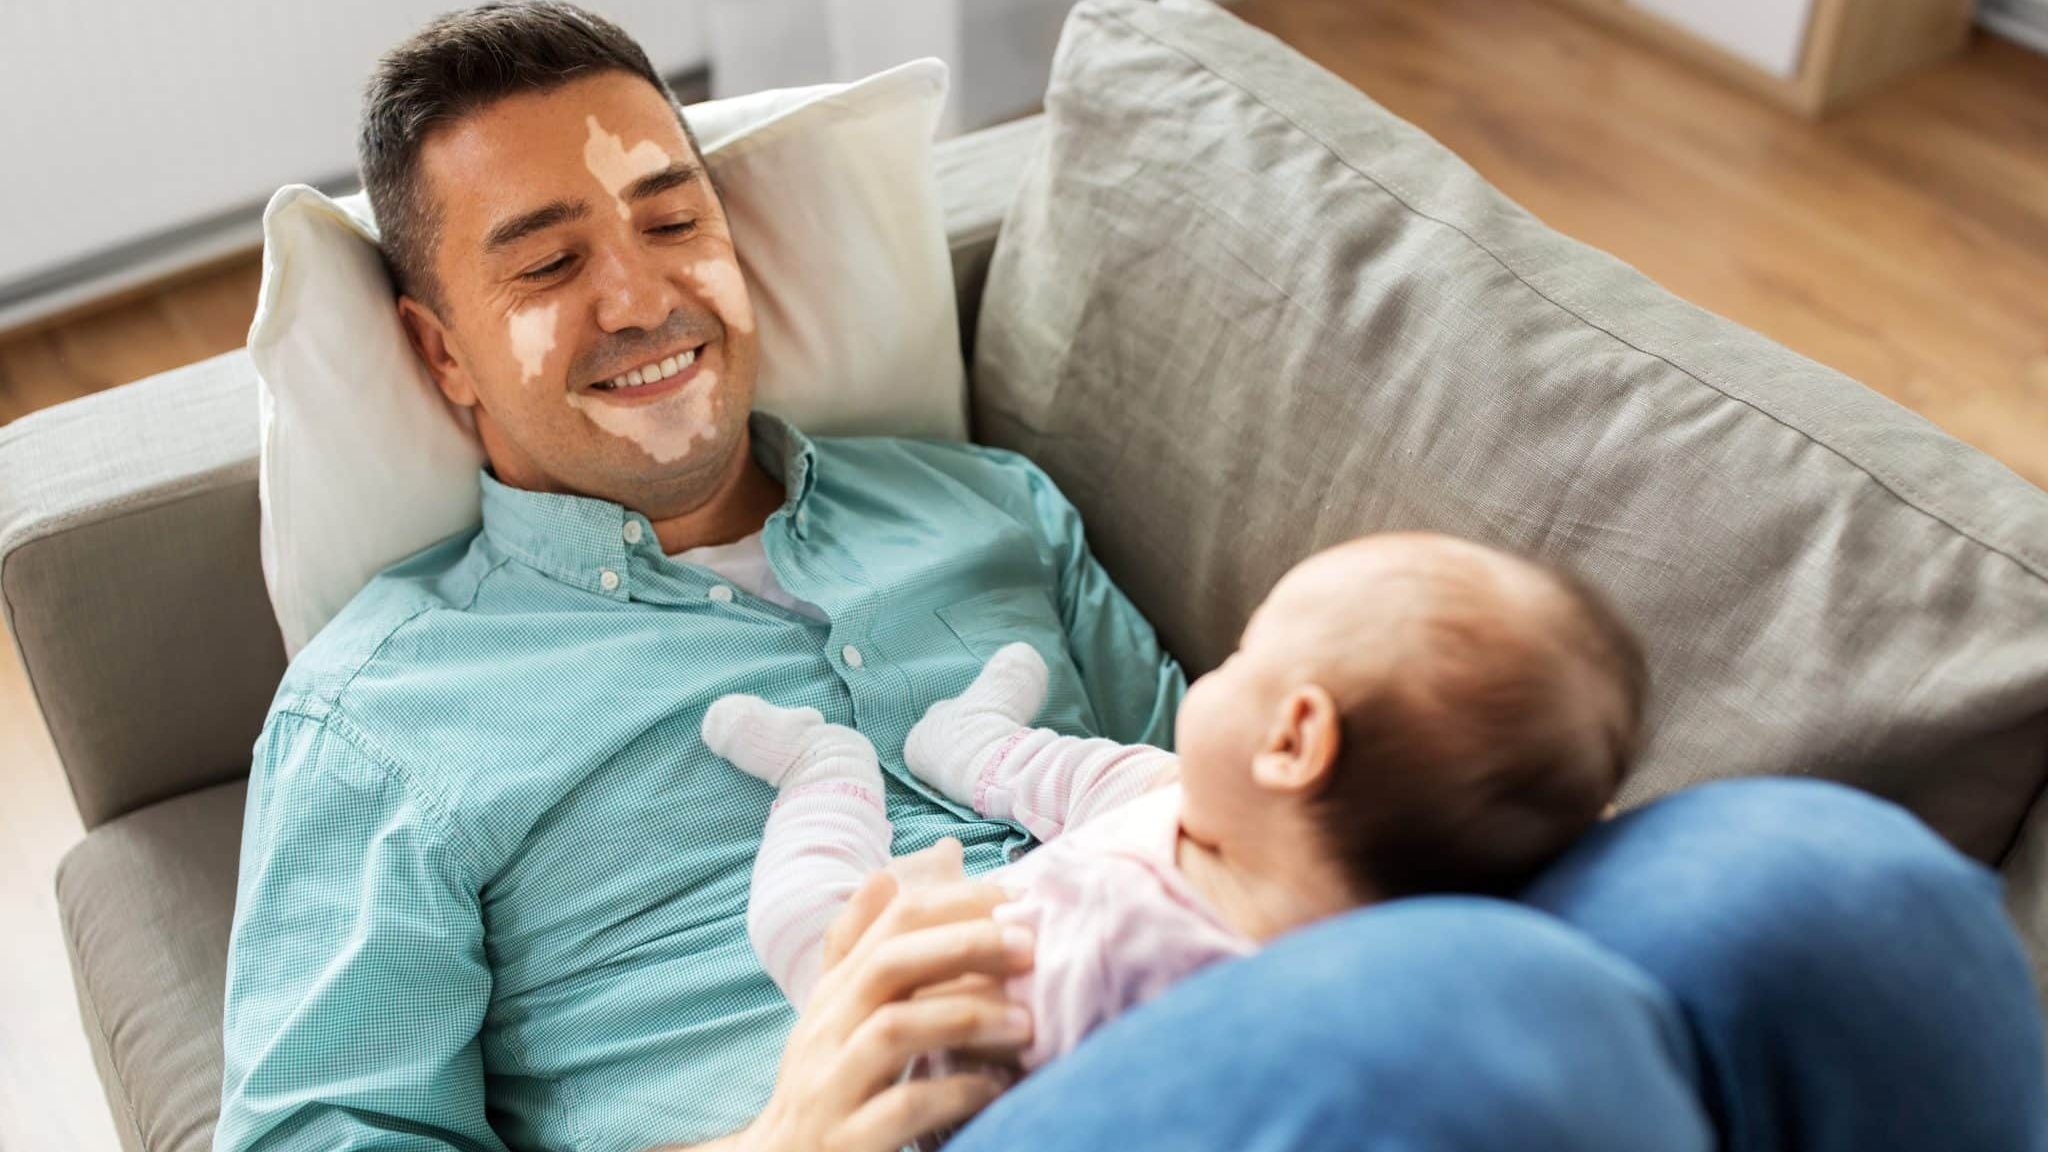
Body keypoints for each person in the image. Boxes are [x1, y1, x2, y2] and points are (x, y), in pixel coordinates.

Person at [214, 3, 2048, 1151]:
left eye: (672, 216)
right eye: (542, 261)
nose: (640, 295)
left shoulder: (978, 506)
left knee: (1829, 887)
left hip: (1200, 1000)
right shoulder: (388, 706)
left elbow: (1212, 787)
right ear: (440, 353)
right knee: (1479, 1029)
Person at [704, 532, 1643, 1069]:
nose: (1220, 669)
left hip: (951, 1000)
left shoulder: (1143, 970)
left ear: (1291, 741)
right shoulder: (1269, 835)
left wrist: (917, 933)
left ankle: (825, 771)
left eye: (1244, 656)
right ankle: (967, 738)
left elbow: (948, 1052)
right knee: (1127, 780)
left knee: (801, 922)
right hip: (1157, 839)